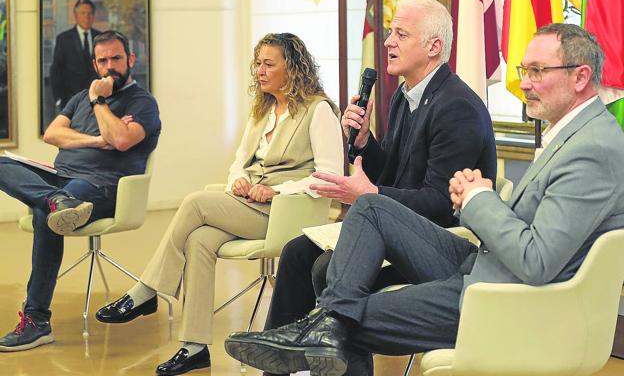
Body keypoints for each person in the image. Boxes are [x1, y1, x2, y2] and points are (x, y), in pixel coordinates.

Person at [225, 23, 624, 376]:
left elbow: (536, 261)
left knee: (343, 319)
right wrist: (477, 196)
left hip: (503, 295)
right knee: (369, 208)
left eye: (538, 71)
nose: (525, 83)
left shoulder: (591, 150)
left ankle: (322, 324)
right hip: (484, 262)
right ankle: (324, 323)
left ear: (580, 77)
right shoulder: (574, 134)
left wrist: (479, 200)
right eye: (524, 71)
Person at [261, 0, 497, 364]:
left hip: (437, 242)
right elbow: (395, 173)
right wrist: (365, 143)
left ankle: (336, 360)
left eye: (400, 34)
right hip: (392, 224)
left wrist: (371, 193)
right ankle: (275, 363)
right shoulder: (405, 96)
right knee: (295, 253)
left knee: (325, 268)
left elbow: (440, 202)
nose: (387, 42)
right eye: (390, 32)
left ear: (434, 47)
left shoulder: (457, 108)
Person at [94, 32, 344, 376]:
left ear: (294, 68)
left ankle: (148, 290)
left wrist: (279, 191)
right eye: (258, 63)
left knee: (195, 202)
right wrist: (236, 181)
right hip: (249, 206)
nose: (259, 71)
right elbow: (238, 163)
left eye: (269, 64)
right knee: (199, 241)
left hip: (284, 214)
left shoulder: (318, 112)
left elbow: (331, 176)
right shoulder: (262, 110)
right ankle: (194, 347)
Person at [0, 30, 161, 352]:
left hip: (102, 186)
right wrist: (93, 139)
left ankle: (37, 320)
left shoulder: (142, 102)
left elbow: (120, 140)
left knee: (47, 212)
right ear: (95, 63)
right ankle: (55, 199)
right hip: (60, 179)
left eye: (116, 58)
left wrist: (99, 102)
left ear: (131, 59)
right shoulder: (79, 97)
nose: (110, 66)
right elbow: (52, 134)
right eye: (103, 60)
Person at [50, 0, 101, 111]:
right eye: (83, 13)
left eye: (90, 13)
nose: (87, 17)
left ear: (94, 16)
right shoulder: (64, 39)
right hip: (70, 100)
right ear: (75, 15)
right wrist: (58, 99)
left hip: (98, 100)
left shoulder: (101, 38)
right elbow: (56, 70)